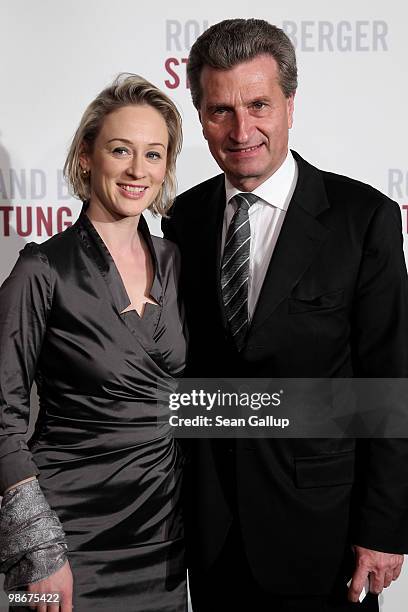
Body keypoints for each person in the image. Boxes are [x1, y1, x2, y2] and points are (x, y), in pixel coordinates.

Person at [162, 18, 408, 612]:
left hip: (324, 531)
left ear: (290, 105)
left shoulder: (362, 217)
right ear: (199, 116)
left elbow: (389, 381)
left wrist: (383, 528)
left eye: (258, 105)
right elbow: (187, 377)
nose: (242, 129)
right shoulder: (183, 219)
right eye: (220, 110)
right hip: (210, 530)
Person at [0, 74, 187, 611]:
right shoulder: (42, 269)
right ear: (86, 156)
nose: (137, 170)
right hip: (65, 532)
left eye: (153, 154)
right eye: (120, 150)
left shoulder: (175, 262)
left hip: (162, 535)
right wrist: (35, 550)